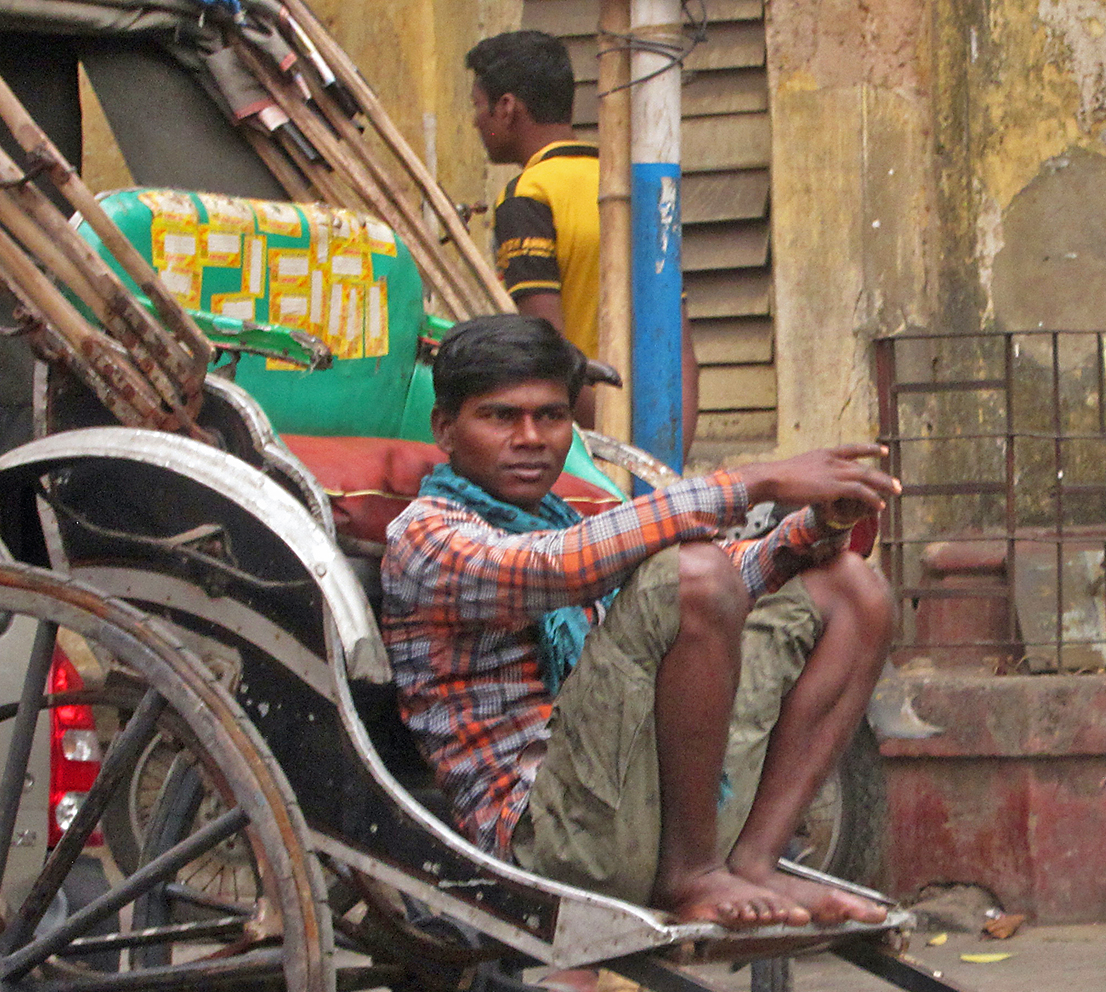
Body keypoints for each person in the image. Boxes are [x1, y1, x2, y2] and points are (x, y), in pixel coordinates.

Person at [382, 314, 895, 928]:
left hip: (636, 805)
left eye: (550, 416)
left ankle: (755, 859)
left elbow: (727, 583)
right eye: (500, 417)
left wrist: (817, 525)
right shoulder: (425, 538)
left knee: (852, 587)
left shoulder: (562, 516)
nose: (531, 437)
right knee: (694, 576)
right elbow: (560, 570)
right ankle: (692, 874)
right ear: (445, 428)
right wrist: (756, 480)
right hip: (549, 842)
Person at [465, 29, 697, 438]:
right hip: (654, 438)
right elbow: (677, 335)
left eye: (477, 106)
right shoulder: (631, 187)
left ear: (506, 108)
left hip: (586, 444)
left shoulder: (527, 197)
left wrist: (611, 438)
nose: (474, 121)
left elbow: (549, 351)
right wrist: (668, 444)